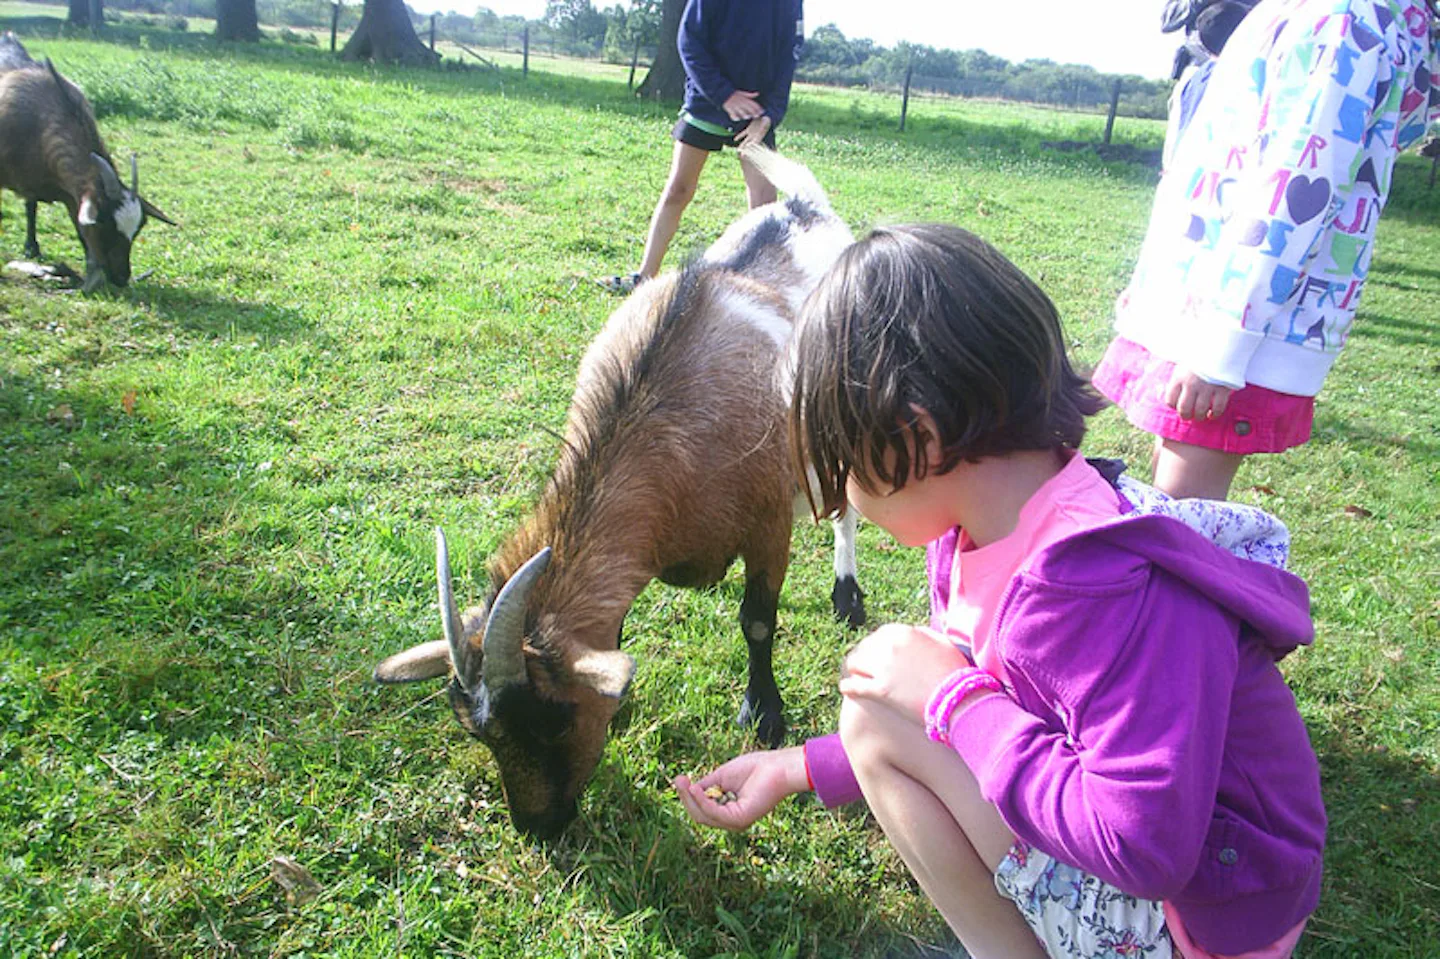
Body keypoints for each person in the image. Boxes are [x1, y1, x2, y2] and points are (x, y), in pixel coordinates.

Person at [672, 224, 1327, 959]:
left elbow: (1144, 847)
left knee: (888, 708)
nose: (845, 495)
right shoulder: (988, 528)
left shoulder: (1104, 584)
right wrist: (798, 767)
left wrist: (957, 701)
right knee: (883, 710)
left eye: (843, 466)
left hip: (1204, 920)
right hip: (1174, 881)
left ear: (915, 439)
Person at [1091, 0, 1439, 500]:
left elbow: (1297, 189)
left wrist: (1219, 348)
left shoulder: (1343, 21)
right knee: (1168, 503)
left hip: (1238, 320)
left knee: (1184, 523)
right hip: (1204, 297)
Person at [600, 0, 803, 294]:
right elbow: (689, 42)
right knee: (678, 190)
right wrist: (724, 96)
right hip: (708, 104)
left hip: (756, 116)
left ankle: (762, 288)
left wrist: (769, 116)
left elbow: (789, 56)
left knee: (765, 207)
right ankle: (644, 277)